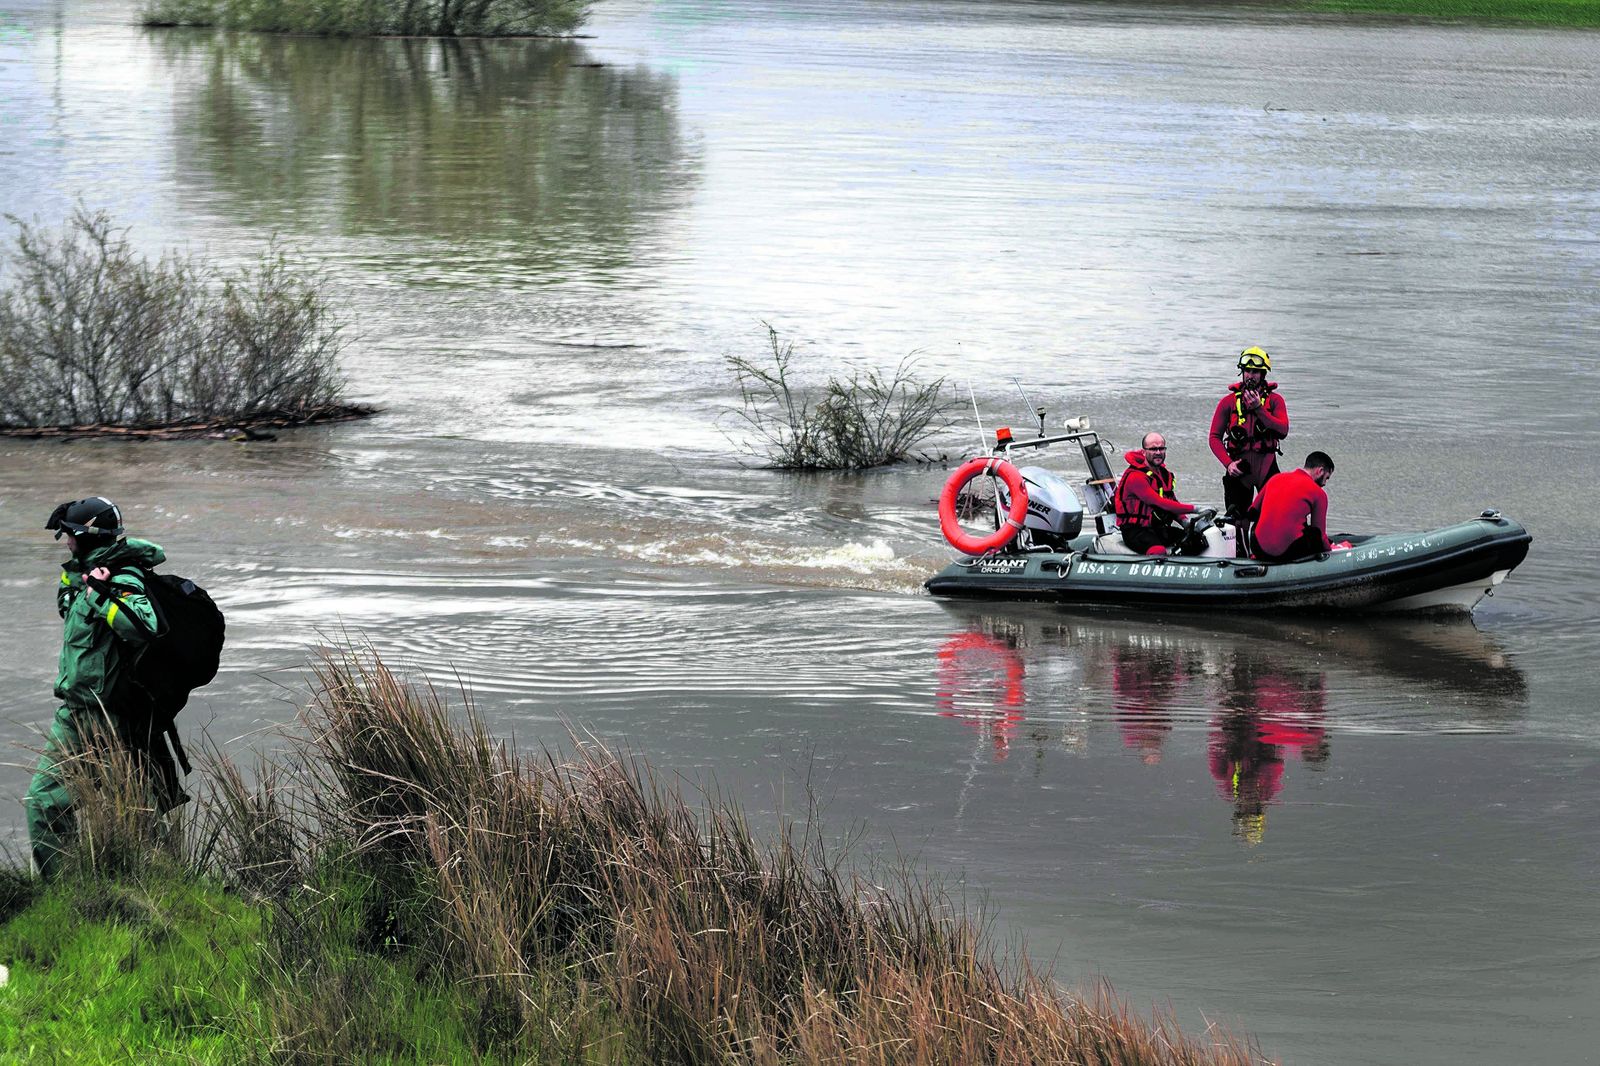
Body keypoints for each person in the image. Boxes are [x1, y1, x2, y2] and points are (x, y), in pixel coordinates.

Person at [26, 497, 179, 878]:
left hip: (111, 720)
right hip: (74, 715)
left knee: (135, 813)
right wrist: (80, 581)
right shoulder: (87, 571)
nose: (65, 542)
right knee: (44, 803)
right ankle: (63, 892)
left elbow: (146, 627)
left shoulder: (123, 576)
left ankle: (165, 886)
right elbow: (67, 604)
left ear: (87, 536)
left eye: (69, 536)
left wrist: (101, 596)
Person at [1209, 347, 1289, 522]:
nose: (1250, 375)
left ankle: (1270, 546)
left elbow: (1283, 431)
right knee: (1237, 520)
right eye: (1247, 371)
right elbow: (1214, 437)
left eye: (1255, 372)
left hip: (1267, 467)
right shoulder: (1228, 402)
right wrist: (1228, 464)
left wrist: (1258, 409)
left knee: (1276, 516)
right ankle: (1238, 548)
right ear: (1242, 372)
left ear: (1262, 374)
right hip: (1239, 469)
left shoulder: (1275, 401)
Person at [1113, 432, 1207, 556]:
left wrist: (1184, 521)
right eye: (1153, 449)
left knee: (1196, 541)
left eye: (1161, 448)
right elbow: (1159, 502)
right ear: (1143, 452)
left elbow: (1172, 501)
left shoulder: (1164, 474)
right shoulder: (1135, 476)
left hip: (1158, 528)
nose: (1158, 452)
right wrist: (1196, 509)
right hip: (1136, 531)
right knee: (1158, 551)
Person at [1248, 452, 1337, 563]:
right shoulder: (1319, 493)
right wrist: (1331, 553)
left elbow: (1252, 512)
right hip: (1285, 553)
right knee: (1314, 534)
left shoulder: (1276, 478)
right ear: (1320, 471)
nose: (1324, 483)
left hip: (1258, 549)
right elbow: (1320, 534)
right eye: (1326, 478)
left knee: (1260, 522)